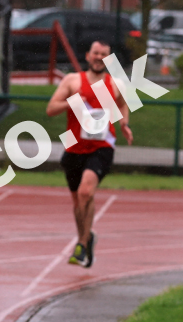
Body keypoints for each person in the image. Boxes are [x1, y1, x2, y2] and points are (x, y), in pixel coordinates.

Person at [46, 40, 133, 268]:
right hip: (74, 146)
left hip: (102, 146)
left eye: (104, 54)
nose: (99, 57)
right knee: (78, 201)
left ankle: (82, 245)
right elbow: (50, 109)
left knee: (86, 192)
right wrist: (72, 103)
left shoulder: (114, 84)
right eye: (96, 53)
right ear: (88, 55)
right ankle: (86, 238)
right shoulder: (72, 81)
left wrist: (124, 124)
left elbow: (124, 105)